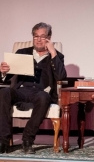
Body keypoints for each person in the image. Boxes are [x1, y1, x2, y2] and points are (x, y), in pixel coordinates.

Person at [0, 22, 66, 154]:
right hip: (21, 91)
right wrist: (3, 72)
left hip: (41, 93)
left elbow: (61, 76)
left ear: (49, 38)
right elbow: (7, 78)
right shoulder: (22, 53)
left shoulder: (56, 56)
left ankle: (27, 139)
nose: (39, 39)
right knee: (4, 92)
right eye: (36, 36)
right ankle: (3, 142)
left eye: (43, 36)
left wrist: (52, 52)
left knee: (43, 97)